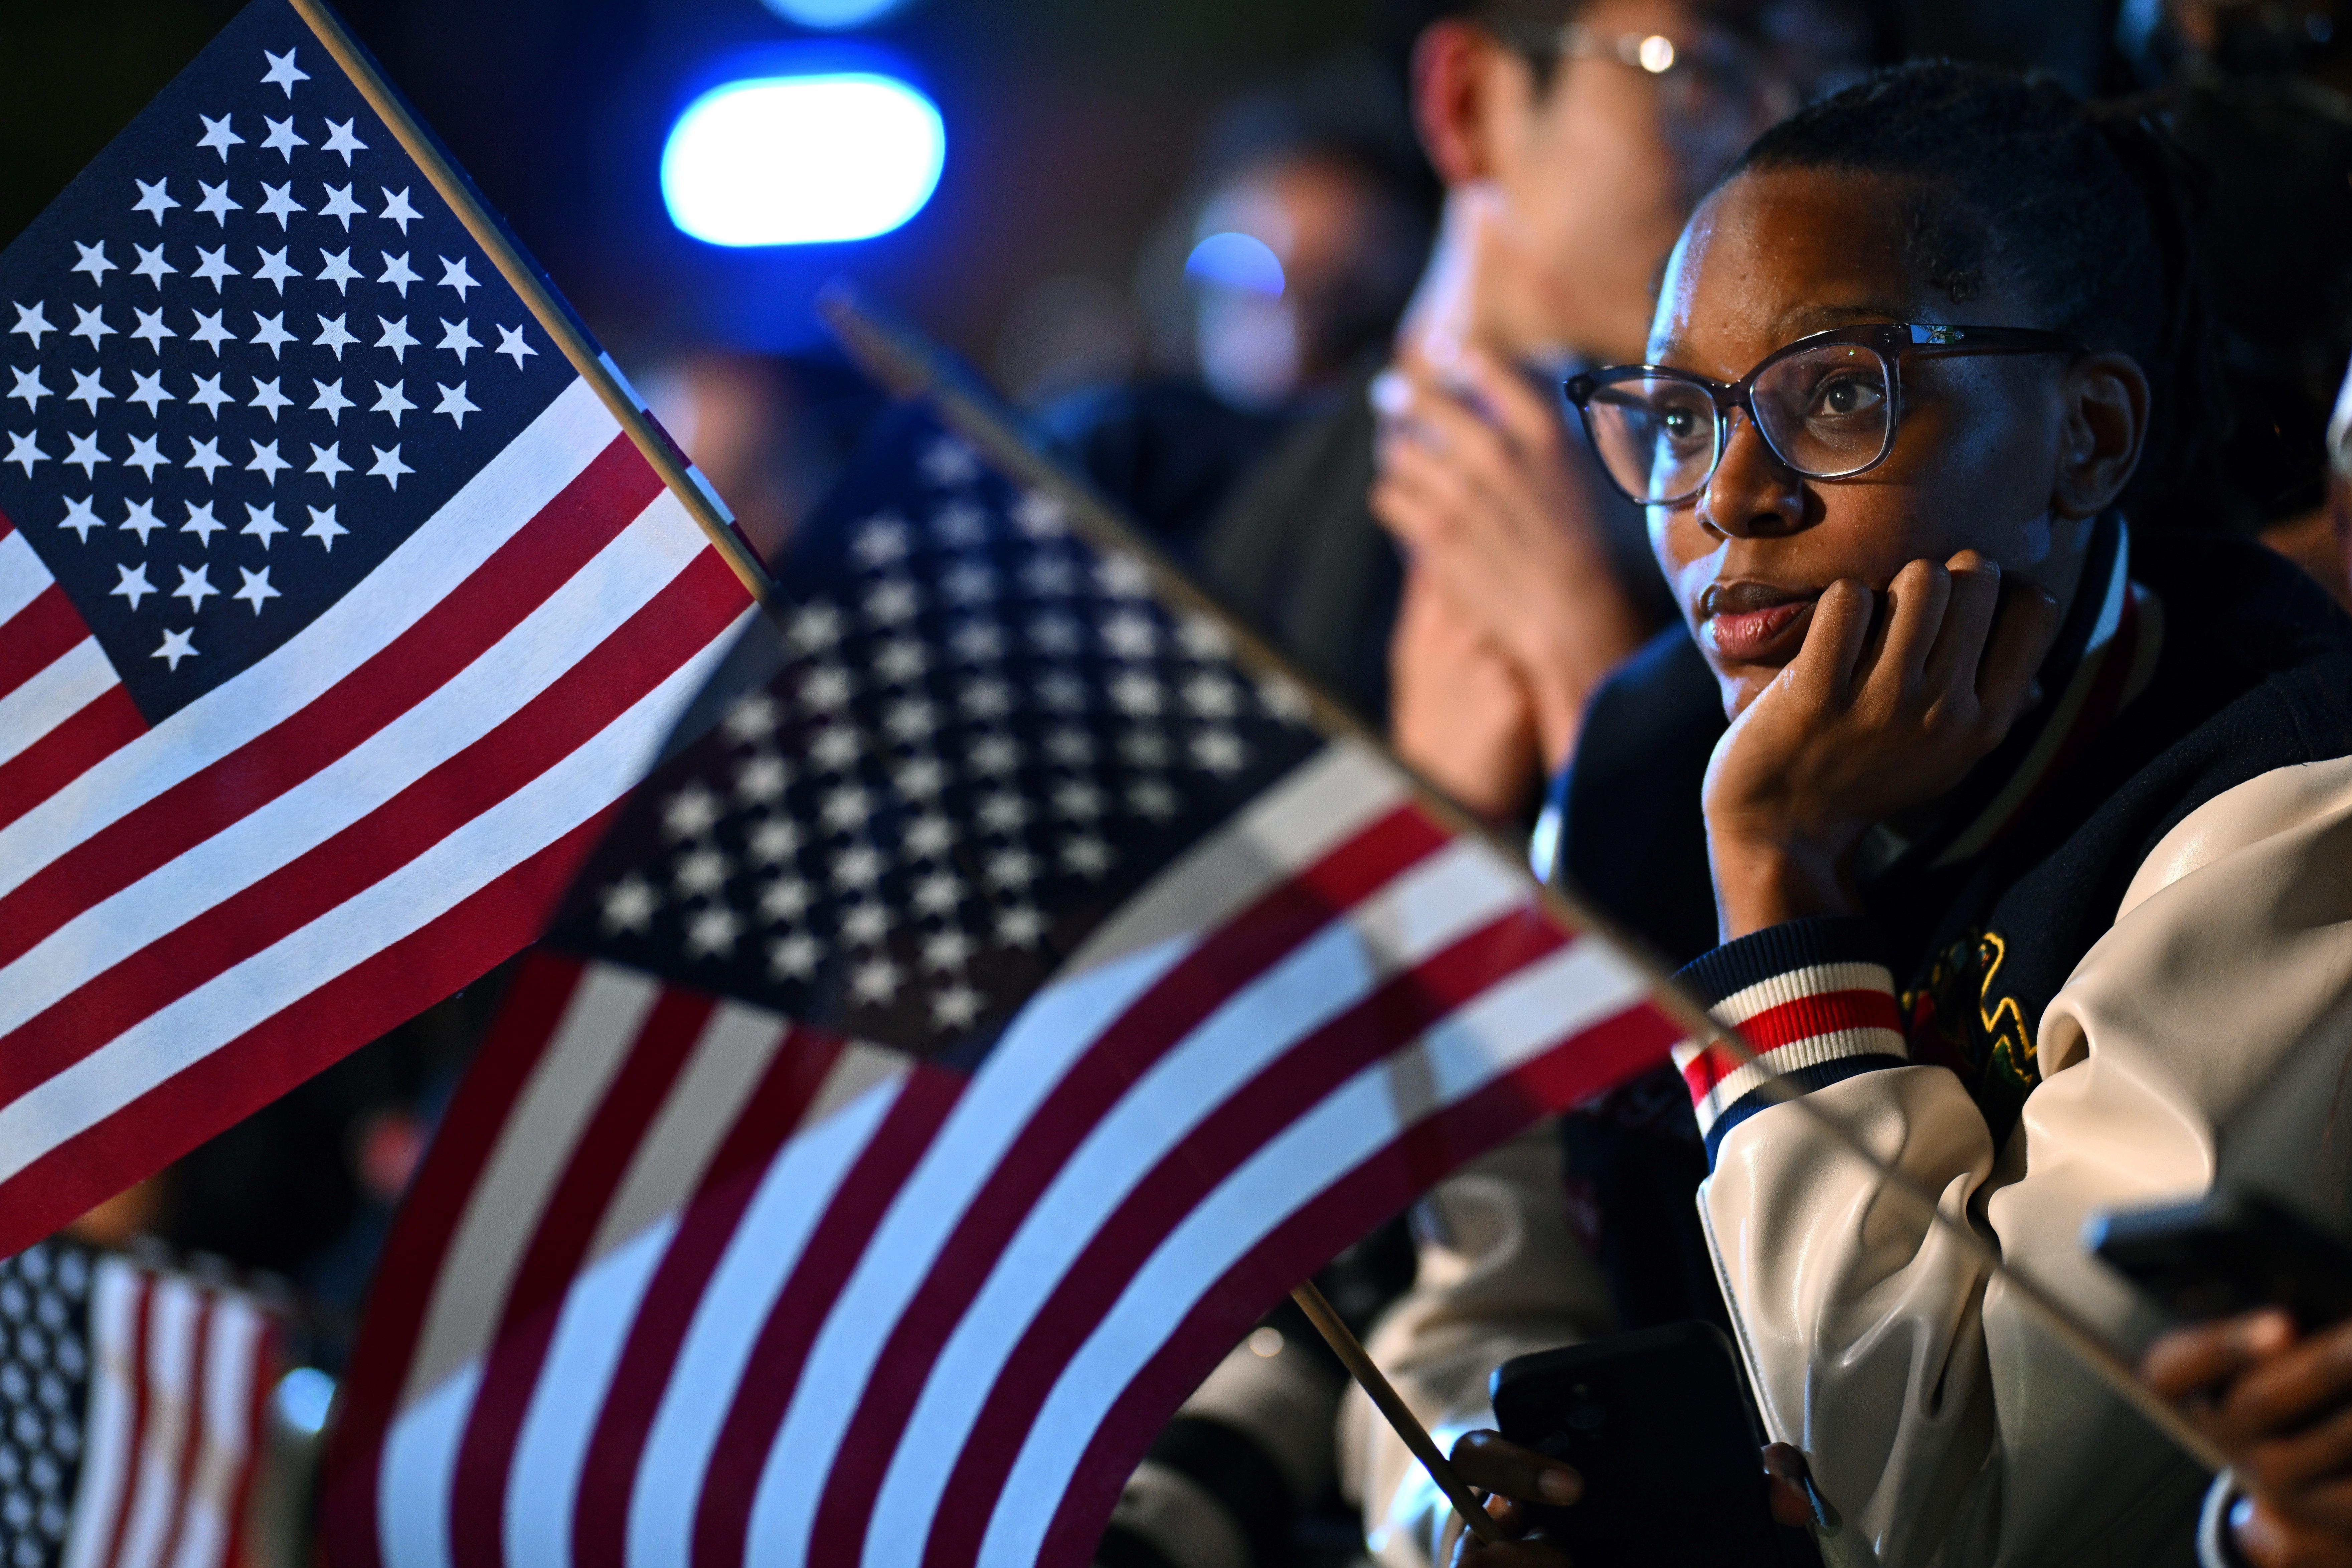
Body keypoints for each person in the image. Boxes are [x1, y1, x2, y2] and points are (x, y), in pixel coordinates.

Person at [1358, 60, 2352, 1567]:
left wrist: (1778, 884)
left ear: (2086, 436)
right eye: (1681, 418)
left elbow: (1949, 1514)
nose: (1728, 500)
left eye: (1836, 394)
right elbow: (1476, 1303)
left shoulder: (2276, 801)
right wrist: (1463, 1518)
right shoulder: (1638, 758)